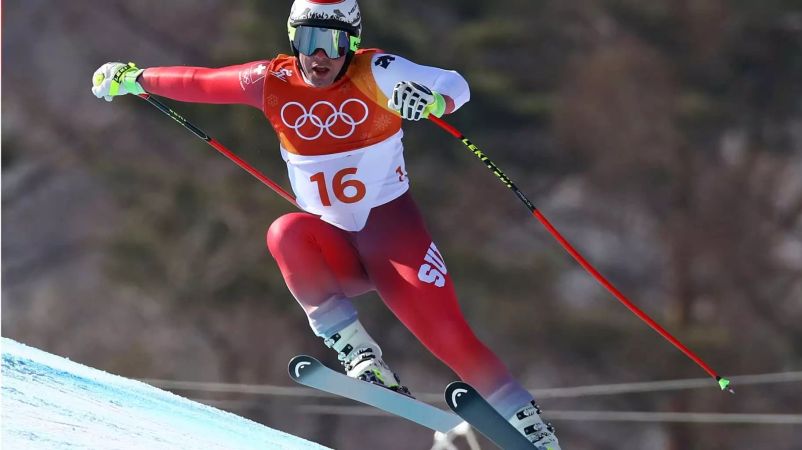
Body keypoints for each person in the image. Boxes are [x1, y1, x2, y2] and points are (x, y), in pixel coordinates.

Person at [91, 1, 561, 448]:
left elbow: (455, 82)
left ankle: (532, 429)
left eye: (335, 43)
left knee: (450, 338)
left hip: (393, 238)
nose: (321, 55)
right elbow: (200, 80)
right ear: (294, 39)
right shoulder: (269, 80)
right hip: (332, 245)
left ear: (351, 44)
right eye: (310, 39)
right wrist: (135, 78)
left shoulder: (376, 72)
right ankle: (357, 351)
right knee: (285, 232)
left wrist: (434, 101)